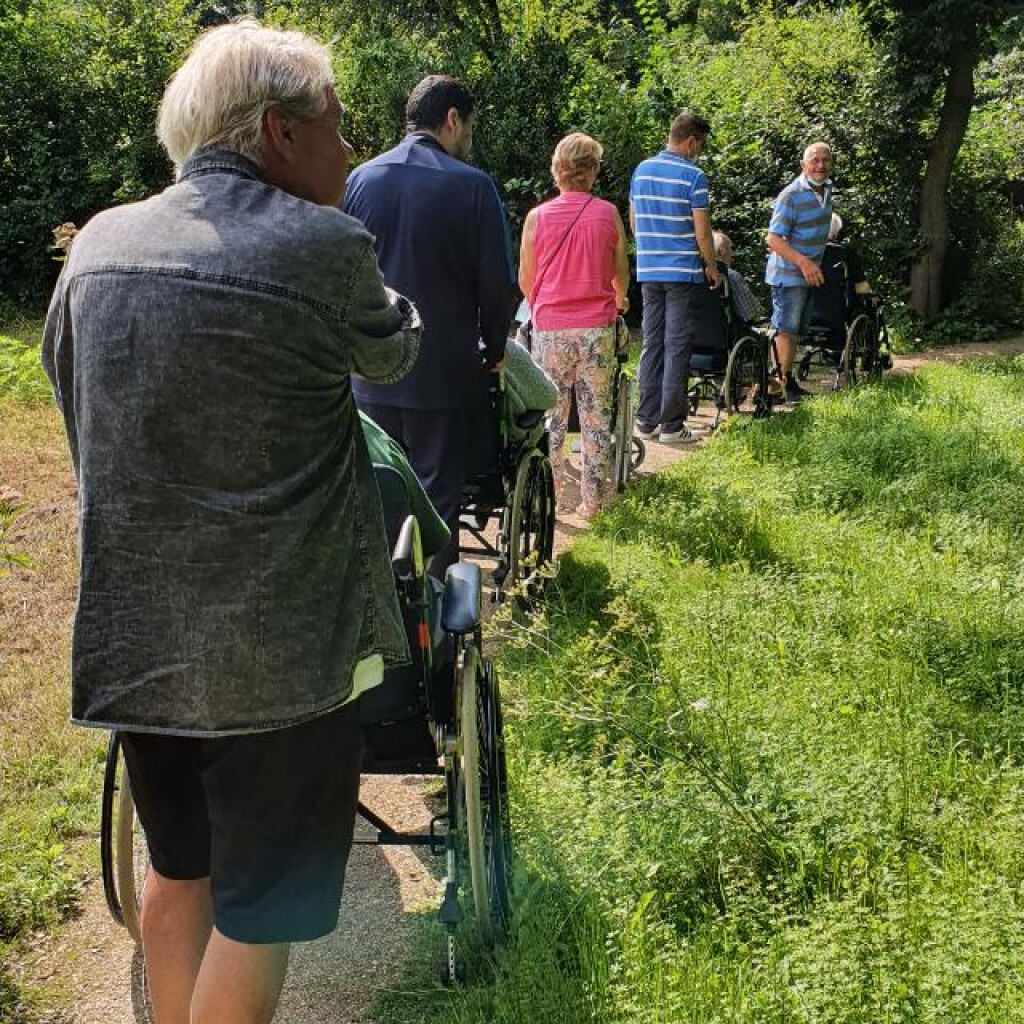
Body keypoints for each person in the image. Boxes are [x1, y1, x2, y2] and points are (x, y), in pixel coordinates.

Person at [40, 21, 420, 1024]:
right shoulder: (325, 246)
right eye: (337, 125)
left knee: (179, 868)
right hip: (280, 656)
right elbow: (391, 356)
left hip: (138, 641)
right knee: (263, 918)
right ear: (280, 130)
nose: (350, 148)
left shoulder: (98, 246)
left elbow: (77, 411)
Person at [344, 75, 516, 576]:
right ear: (453, 119)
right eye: (470, 128)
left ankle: (383, 602)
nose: (469, 140)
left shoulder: (361, 179)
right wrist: (495, 346)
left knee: (379, 491)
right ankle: (435, 607)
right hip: (444, 369)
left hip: (371, 370)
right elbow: (497, 282)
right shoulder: (472, 186)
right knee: (437, 500)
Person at [518, 132, 630, 519]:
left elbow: (526, 279)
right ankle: (592, 503)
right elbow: (620, 274)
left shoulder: (537, 218)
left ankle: (546, 498)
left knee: (550, 416)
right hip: (596, 329)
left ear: (557, 170)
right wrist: (618, 298)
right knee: (596, 418)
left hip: (551, 328)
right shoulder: (608, 214)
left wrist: (545, 304)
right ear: (593, 170)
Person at [630, 110, 720, 445]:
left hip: (649, 269)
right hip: (681, 271)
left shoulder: (641, 170)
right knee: (677, 345)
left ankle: (646, 419)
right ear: (691, 142)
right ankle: (671, 425)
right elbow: (703, 232)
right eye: (701, 145)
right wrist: (711, 266)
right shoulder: (694, 176)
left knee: (652, 342)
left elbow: (635, 223)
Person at [765, 141, 834, 402]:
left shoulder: (827, 189)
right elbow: (773, 239)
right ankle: (773, 389)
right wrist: (804, 262)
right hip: (788, 274)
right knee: (785, 329)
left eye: (825, 160)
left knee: (794, 330)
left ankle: (786, 381)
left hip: (808, 274)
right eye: (815, 160)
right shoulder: (791, 194)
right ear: (803, 165)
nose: (820, 165)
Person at [713, 230, 762, 327]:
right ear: (722, 251)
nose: (732, 254)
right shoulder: (730, 275)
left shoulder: (698, 273)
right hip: (727, 329)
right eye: (730, 248)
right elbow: (749, 314)